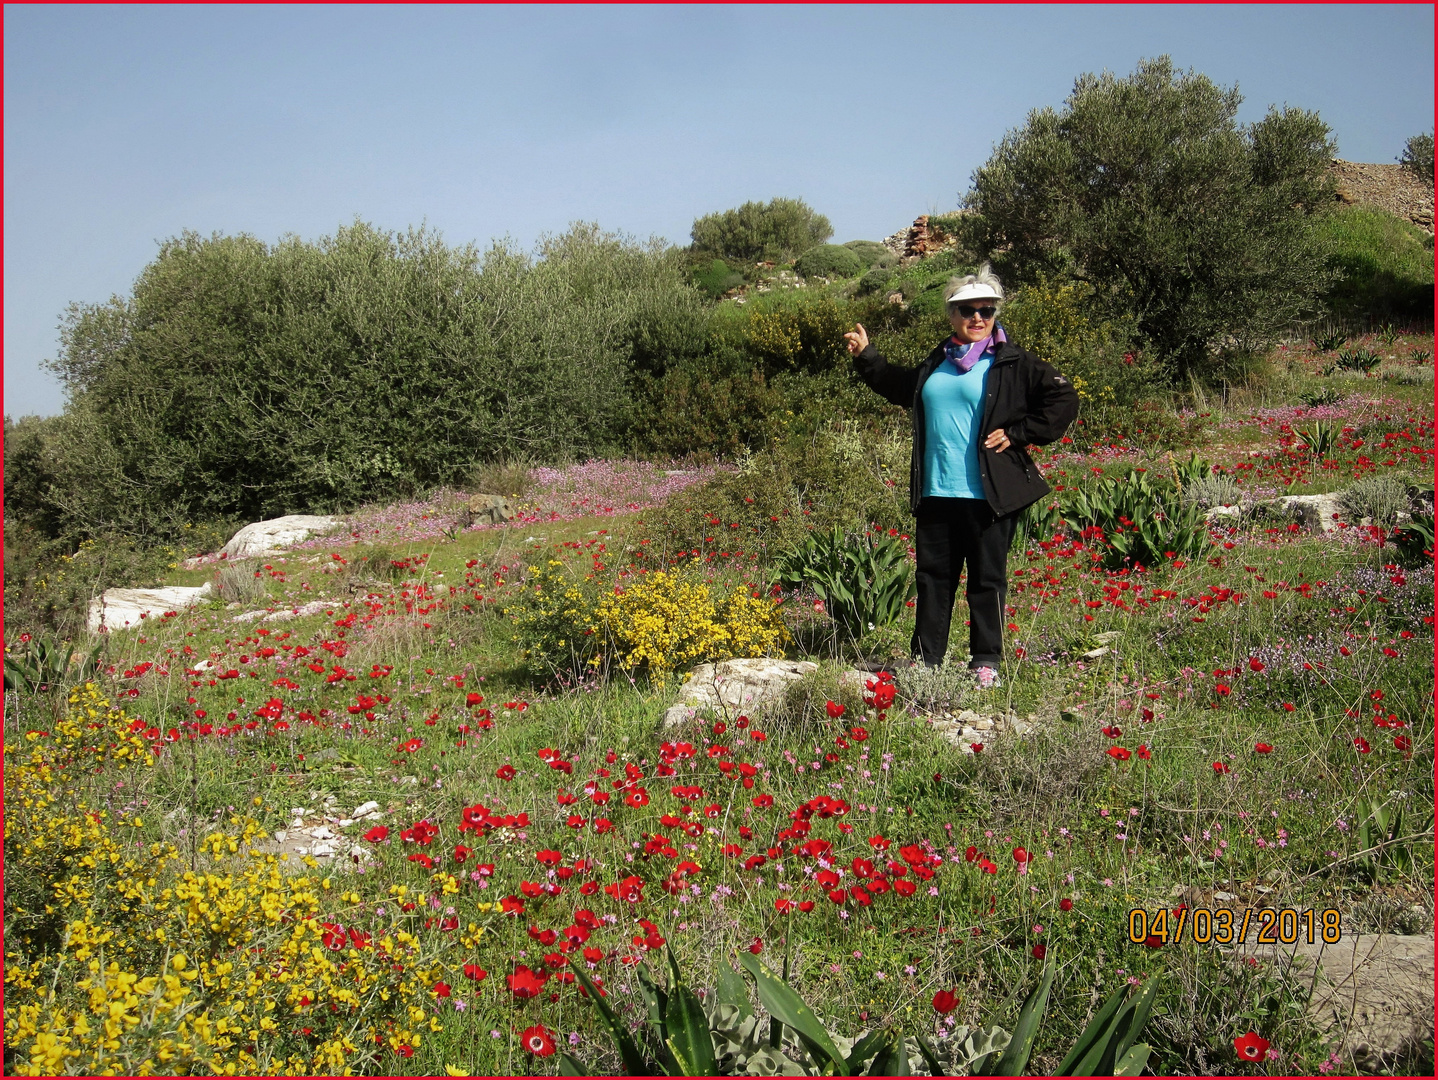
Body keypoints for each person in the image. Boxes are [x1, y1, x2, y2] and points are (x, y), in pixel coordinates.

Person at [844, 264, 1078, 686]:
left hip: (988, 494)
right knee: (933, 578)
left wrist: (1021, 433)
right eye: (967, 310)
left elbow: (1063, 396)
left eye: (986, 311)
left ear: (995, 315)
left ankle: (985, 661)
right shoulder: (939, 360)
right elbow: (903, 388)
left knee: (986, 580)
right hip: (937, 489)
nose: (978, 318)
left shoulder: (1012, 362)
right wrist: (868, 358)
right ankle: (927, 661)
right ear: (951, 315)